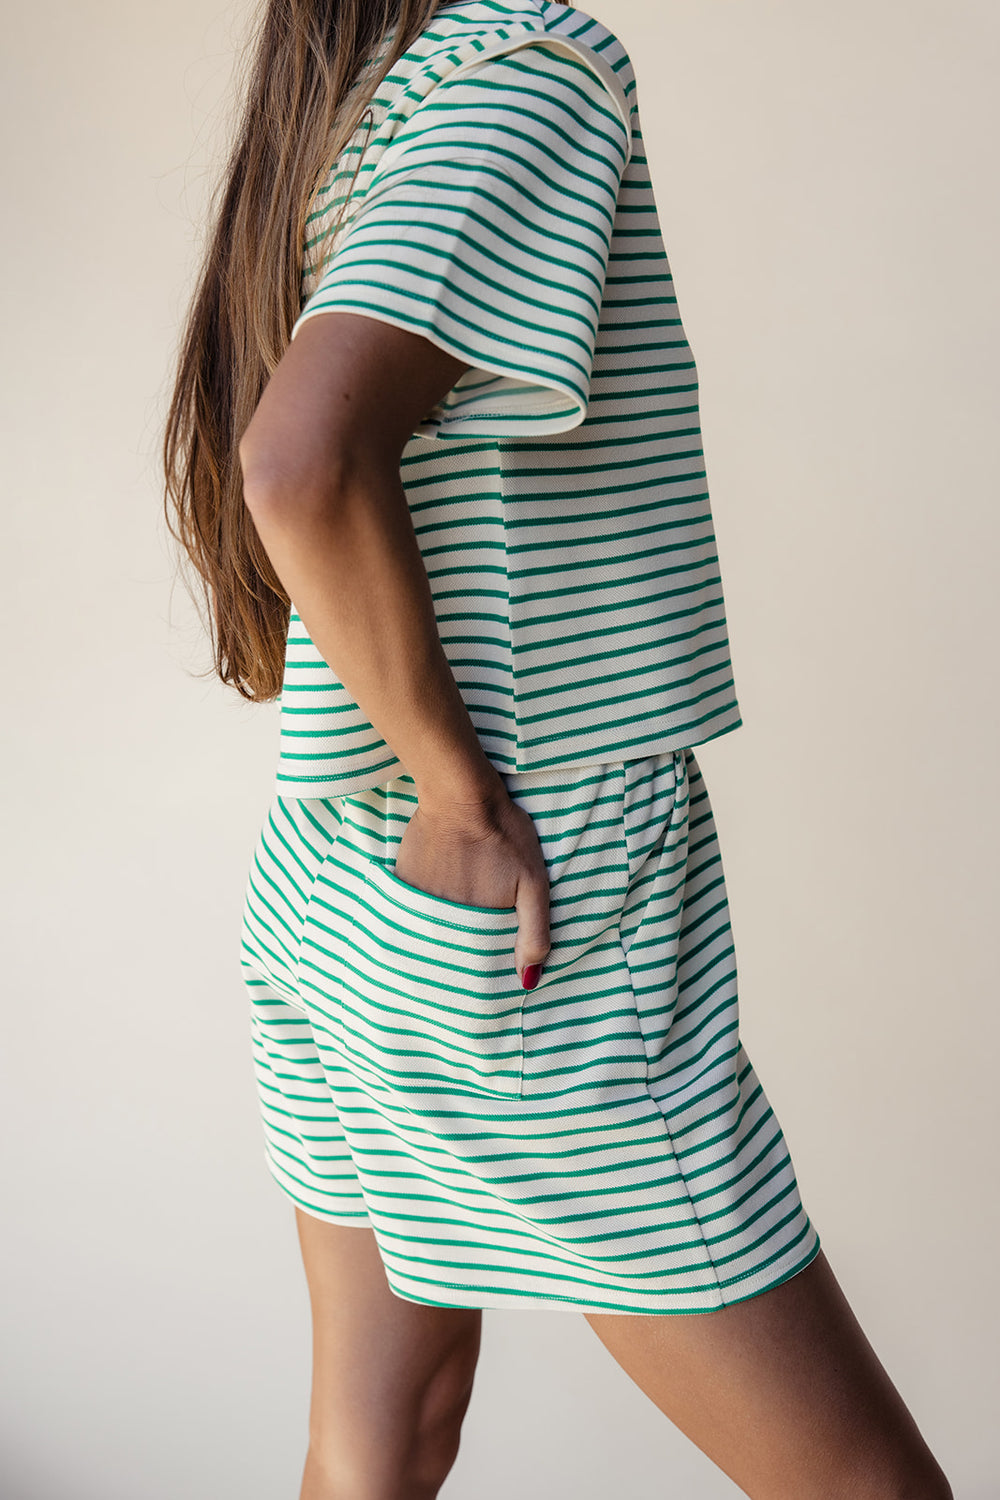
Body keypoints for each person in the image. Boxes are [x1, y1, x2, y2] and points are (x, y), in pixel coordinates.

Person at [162, 1, 953, 1496]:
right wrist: (460, 793)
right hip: (524, 898)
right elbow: (299, 462)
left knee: (376, 1442)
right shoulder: (530, 64)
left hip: (333, 884)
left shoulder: (352, 105)